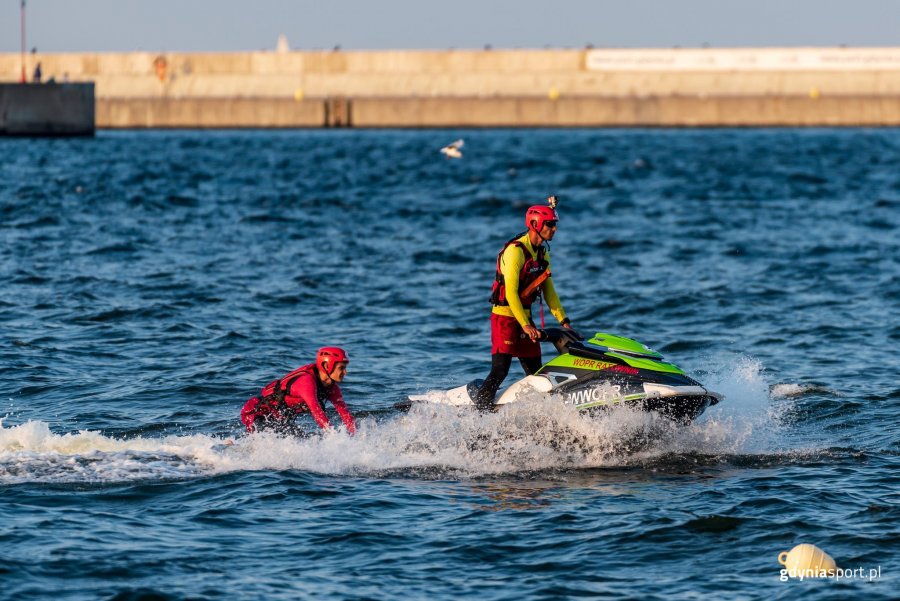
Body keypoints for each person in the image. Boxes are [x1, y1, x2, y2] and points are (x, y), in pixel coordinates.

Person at [476, 197, 576, 410]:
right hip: (505, 317)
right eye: (550, 225)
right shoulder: (515, 251)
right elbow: (511, 293)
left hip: (524, 317)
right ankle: (479, 415)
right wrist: (525, 325)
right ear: (535, 225)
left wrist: (564, 320)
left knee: (536, 372)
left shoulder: (542, 252)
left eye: (555, 225)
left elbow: (549, 289)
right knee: (500, 370)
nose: (554, 229)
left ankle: (543, 414)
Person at [241, 347, 356, 435]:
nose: (345, 372)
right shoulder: (306, 382)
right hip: (257, 413)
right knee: (266, 442)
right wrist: (334, 438)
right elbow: (317, 412)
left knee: (300, 441)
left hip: (280, 419)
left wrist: (355, 438)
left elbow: (345, 414)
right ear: (326, 365)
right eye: (341, 368)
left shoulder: (332, 387)